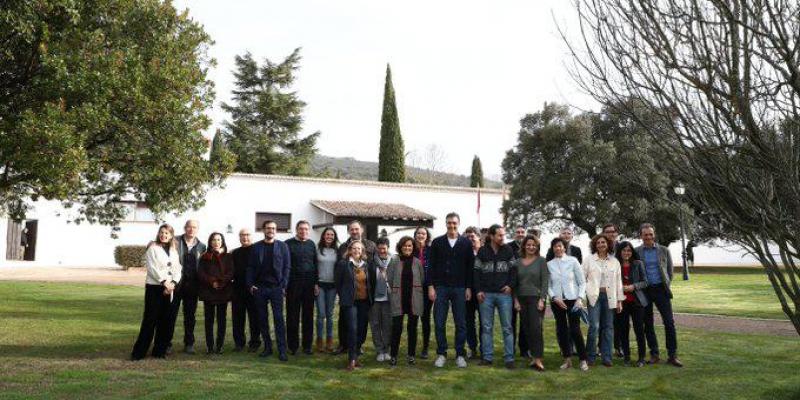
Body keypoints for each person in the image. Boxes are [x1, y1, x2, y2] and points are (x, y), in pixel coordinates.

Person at [428, 212, 474, 368]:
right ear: (446, 224)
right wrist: (431, 286)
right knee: (439, 322)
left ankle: (460, 354)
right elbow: (431, 266)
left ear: (458, 224)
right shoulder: (437, 242)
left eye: (454, 223)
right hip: (441, 287)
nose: (451, 225)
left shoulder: (466, 243)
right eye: (449, 223)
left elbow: (470, 268)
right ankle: (441, 353)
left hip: (460, 287)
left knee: (461, 322)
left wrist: (468, 287)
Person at [131, 224, 182, 360]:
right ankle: (139, 353)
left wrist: (173, 283)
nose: (164, 235)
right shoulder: (152, 248)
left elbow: (178, 268)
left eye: (167, 233)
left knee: (165, 321)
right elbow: (152, 268)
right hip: (155, 287)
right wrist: (164, 282)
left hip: (170, 288)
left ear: (171, 236)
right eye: (162, 232)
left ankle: (159, 351)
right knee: (150, 320)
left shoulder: (173, 250)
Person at [636, 223, 683, 367]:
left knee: (669, 322)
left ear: (654, 234)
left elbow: (669, 271)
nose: (648, 237)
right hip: (645, 291)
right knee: (648, 324)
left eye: (650, 234)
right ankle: (654, 354)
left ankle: (672, 355)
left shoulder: (664, 250)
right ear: (641, 236)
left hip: (661, 290)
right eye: (645, 234)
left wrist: (666, 285)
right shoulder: (637, 251)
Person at [474, 224, 517, 369]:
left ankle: (509, 359)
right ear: (491, 236)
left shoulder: (508, 250)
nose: (502, 237)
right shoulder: (482, 251)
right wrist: (478, 290)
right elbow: (476, 272)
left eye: (503, 235)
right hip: (486, 295)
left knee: (507, 327)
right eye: (499, 235)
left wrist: (510, 286)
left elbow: (514, 271)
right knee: (486, 327)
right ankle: (487, 357)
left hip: (504, 295)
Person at [247, 220, 290, 361]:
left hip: (276, 288)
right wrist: (250, 285)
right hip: (260, 288)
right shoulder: (256, 247)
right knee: (262, 319)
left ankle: (282, 350)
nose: (270, 230)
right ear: (263, 230)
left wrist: (283, 284)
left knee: (279, 319)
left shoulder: (283, 247)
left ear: (276, 230)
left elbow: (287, 267)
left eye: (273, 228)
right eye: (268, 228)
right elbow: (250, 267)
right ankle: (267, 347)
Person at [334, 220, 377, 355]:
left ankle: (358, 345)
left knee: (362, 322)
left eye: (356, 229)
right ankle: (343, 344)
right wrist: (342, 293)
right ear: (348, 231)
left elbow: (373, 265)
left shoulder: (370, 245)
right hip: (348, 292)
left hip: (364, 290)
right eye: (352, 229)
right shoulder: (342, 247)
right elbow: (338, 271)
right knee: (344, 321)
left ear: (361, 230)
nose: (354, 231)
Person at [548, 238, 589, 371]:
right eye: (555, 246)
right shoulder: (549, 264)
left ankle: (583, 360)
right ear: (552, 249)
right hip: (557, 301)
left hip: (573, 300)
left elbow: (582, 282)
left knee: (575, 330)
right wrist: (554, 297)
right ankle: (567, 360)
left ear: (564, 248)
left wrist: (579, 298)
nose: (558, 248)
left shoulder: (573, 261)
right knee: (561, 330)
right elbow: (548, 285)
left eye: (560, 246)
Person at [583, 234, 624, 367]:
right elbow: (581, 279)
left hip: (609, 297)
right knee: (594, 327)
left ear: (608, 244)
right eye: (598, 242)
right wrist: (583, 296)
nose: (601, 244)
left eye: (604, 242)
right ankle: (590, 356)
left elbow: (619, 282)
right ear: (595, 245)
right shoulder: (589, 260)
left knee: (608, 327)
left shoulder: (615, 261)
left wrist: (619, 300)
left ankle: (607, 357)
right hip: (594, 297)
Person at [169, 220, 206, 355]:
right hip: (176, 285)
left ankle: (189, 344)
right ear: (185, 228)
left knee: (190, 316)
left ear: (197, 229)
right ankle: (167, 343)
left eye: (194, 227)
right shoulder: (175, 241)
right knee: (171, 315)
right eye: (189, 227)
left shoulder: (202, 246)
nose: (191, 229)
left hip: (192, 287)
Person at [335, 240, 373, 371]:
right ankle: (351, 359)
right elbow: (338, 283)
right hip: (350, 302)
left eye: (359, 249)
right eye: (354, 248)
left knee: (362, 330)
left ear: (362, 251)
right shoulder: (343, 264)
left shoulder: (366, 265)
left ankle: (356, 357)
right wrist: (344, 296)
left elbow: (370, 283)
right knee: (352, 329)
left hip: (364, 302)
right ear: (350, 250)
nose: (357, 251)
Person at [512, 235, 548, 371]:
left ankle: (538, 359)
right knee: (526, 329)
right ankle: (533, 357)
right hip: (521, 299)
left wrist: (542, 299)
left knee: (536, 329)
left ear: (537, 247)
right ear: (524, 246)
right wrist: (515, 300)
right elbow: (514, 284)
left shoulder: (541, 261)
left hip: (536, 299)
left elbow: (545, 281)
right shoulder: (517, 263)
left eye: (534, 245)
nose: (531, 247)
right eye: (528, 245)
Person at [387, 236, 425, 366]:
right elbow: (390, 279)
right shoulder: (394, 261)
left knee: (412, 328)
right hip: (399, 298)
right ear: (400, 247)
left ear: (413, 247)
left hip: (414, 298)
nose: (407, 248)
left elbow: (422, 279)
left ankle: (411, 355)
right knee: (397, 327)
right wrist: (396, 290)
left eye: (410, 246)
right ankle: (393, 355)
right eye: (405, 245)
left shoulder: (417, 262)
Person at [285, 220, 319, 355]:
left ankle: (307, 346)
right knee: (292, 316)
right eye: (301, 229)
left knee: (308, 316)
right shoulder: (288, 244)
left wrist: (316, 283)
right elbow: (285, 266)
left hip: (309, 285)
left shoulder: (311, 245)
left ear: (308, 231)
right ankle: (293, 346)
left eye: (306, 229)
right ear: (296, 230)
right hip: (293, 285)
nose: (303, 231)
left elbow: (315, 265)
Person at [197, 232, 234, 355]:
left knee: (221, 320)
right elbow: (201, 273)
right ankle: (210, 346)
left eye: (219, 240)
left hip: (223, 291)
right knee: (209, 320)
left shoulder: (228, 256)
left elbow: (231, 272)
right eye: (214, 240)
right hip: (209, 291)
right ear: (210, 242)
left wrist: (221, 283)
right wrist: (212, 282)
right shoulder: (205, 256)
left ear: (222, 241)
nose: (216, 242)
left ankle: (219, 345)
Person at [616, 241, 649, 367]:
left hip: (637, 302)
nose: (626, 253)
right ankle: (627, 357)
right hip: (621, 303)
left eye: (629, 250)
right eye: (624, 250)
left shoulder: (638, 264)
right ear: (620, 252)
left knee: (639, 330)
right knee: (623, 330)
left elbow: (645, 282)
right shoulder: (616, 265)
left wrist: (633, 287)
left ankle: (641, 358)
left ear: (632, 252)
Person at [231, 229, 262, 352]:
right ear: (239, 237)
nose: (245, 237)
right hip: (238, 289)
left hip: (253, 289)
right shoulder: (235, 253)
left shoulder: (257, 251)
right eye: (242, 235)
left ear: (251, 237)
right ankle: (239, 343)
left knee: (254, 318)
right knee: (237, 318)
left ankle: (254, 343)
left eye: (247, 235)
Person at [601, 222, 624, 358]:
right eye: (607, 231)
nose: (610, 234)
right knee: (603, 320)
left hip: (620, 287)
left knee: (619, 320)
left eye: (612, 231)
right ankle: (601, 347)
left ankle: (618, 347)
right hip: (603, 289)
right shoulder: (599, 247)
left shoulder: (622, 247)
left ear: (616, 233)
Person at [507, 225, 529, 359]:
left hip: (525, 290)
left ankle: (524, 349)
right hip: (511, 289)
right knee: (511, 321)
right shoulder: (508, 247)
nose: (520, 234)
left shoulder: (530, 246)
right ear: (514, 234)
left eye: (522, 232)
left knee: (524, 322)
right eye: (518, 232)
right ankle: (511, 348)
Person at [316, 227, 339, 353]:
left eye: (331, 234)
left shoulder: (337, 250)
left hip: (332, 286)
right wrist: (314, 283)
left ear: (334, 237)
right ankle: (319, 340)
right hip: (320, 285)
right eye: (327, 234)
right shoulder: (317, 249)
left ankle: (329, 341)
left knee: (329, 315)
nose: (329, 236)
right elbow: (314, 267)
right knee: (321, 314)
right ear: (323, 236)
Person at [370, 237, 393, 362]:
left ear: (388, 248)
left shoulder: (393, 261)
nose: (382, 251)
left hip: (388, 299)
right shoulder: (371, 262)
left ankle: (386, 350)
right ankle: (379, 350)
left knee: (387, 325)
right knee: (375, 325)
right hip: (374, 299)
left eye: (384, 248)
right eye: (379, 249)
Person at [414, 226, 434, 359]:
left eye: (423, 233)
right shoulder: (410, 249)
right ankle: (412, 346)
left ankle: (425, 348)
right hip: (413, 289)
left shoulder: (431, 250)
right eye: (419, 233)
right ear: (415, 235)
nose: (421, 235)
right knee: (413, 318)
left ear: (427, 236)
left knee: (425, 318)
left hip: (428, 288)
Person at [463, 226, 483, 359]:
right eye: (468, 237)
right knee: (469, 321)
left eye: (472, 237)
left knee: (484, 322)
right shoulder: (464, 254)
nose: (470, 239)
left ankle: (484, 348)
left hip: (482, 292)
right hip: (468, 292)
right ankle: (472, 347)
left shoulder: (485, 253)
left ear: (479, 238)